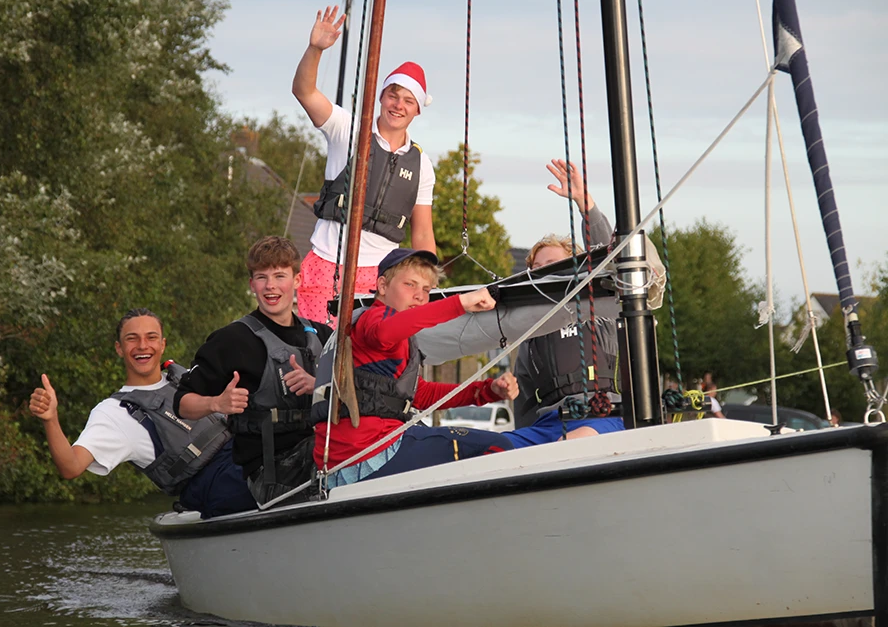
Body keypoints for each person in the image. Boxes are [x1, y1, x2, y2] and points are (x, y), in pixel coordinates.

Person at [310, 248, 519, 487]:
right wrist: (461, 303)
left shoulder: (392, 338)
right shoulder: (373, 320)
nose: (420, 296)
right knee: (499, 446)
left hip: (355, 457)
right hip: (369, 454)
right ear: (382, 286)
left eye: (427, 290)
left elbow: (422, 395)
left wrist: (488, 390)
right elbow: (386, 331)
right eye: (410, 284)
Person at [29, 308, 257, 518]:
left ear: (162, 344)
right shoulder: (114, 413)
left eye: (151, 337)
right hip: (212, 482)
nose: (142, 346)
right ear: (119, 348)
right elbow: (70, 466)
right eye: (132, 339)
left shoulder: (186, 378)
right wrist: (51, 419)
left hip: (241, 452)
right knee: (270, 471)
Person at [292, 5, 437, 323]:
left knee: (368, 365)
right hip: (327, 264)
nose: (398, 105)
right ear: (381, 97)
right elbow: (304, 91)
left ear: (417, 110)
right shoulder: (348, 129)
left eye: (408, 100)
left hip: (383, 280)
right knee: (319, 359)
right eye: (393, 96)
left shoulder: (422, 165)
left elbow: (423, 234)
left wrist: (427, 289)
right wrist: (315, 49)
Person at [174, 236, 332, 505]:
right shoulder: (231, 340)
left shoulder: (322, 334)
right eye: (262, 277)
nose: (270, 286)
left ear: (297, 280)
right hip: (271, 471)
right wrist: (217, 402)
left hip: (319, 453)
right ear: (252, 285)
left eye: (280, 276)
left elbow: (350, 396)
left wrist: (318, 385)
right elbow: (182, 404)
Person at [507, 159, 625, 448]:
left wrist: (585, 203)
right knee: (499, 449)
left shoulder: (599, 306)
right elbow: (523, 398)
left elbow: (609, 257)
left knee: (568, 444)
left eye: (554, 264)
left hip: (601, 416)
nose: (545, 271)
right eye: (538, 267)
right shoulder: (531, 331)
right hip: (549, 421)